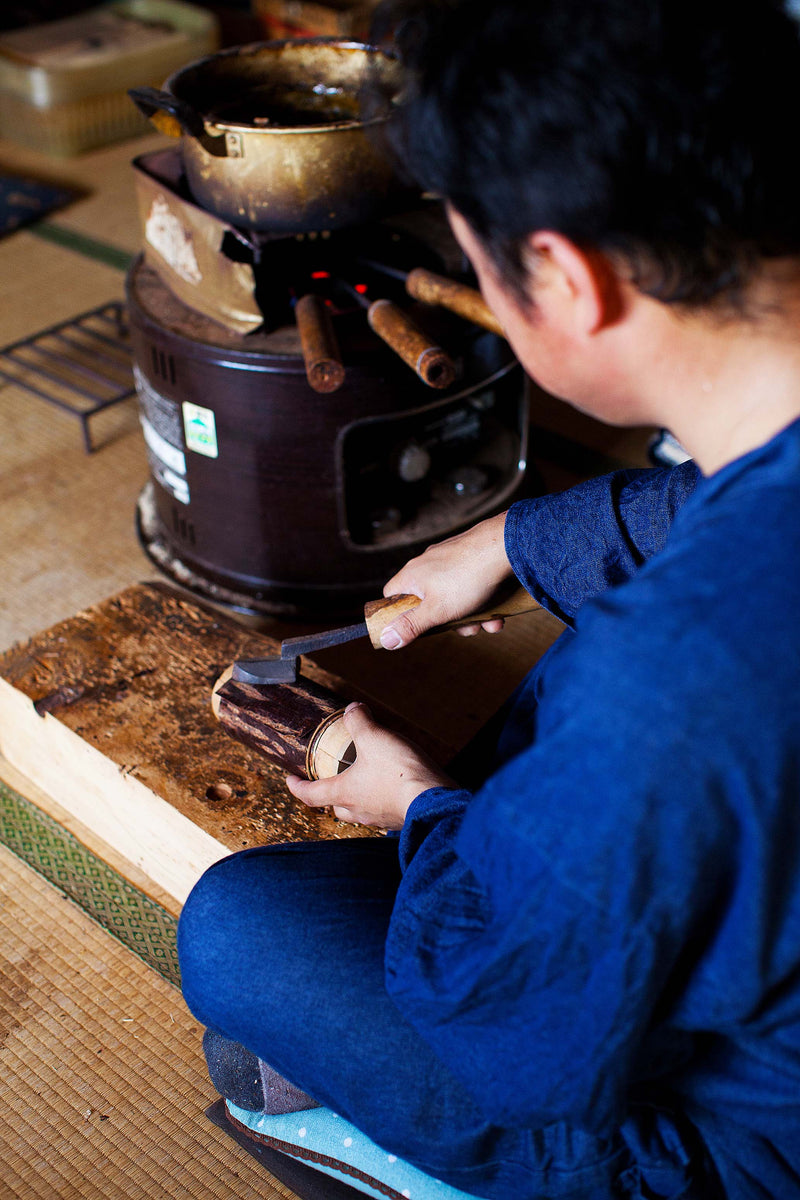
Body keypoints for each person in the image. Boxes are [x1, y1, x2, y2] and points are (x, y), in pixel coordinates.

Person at [177, 1, 800, 1196]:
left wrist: (419, 806)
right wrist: (515, 534)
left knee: (245, 935)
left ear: (564, 281)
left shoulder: (661, 685)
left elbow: (510, 1027)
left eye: (478, 269)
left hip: (748, 1138)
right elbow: (729, 509)